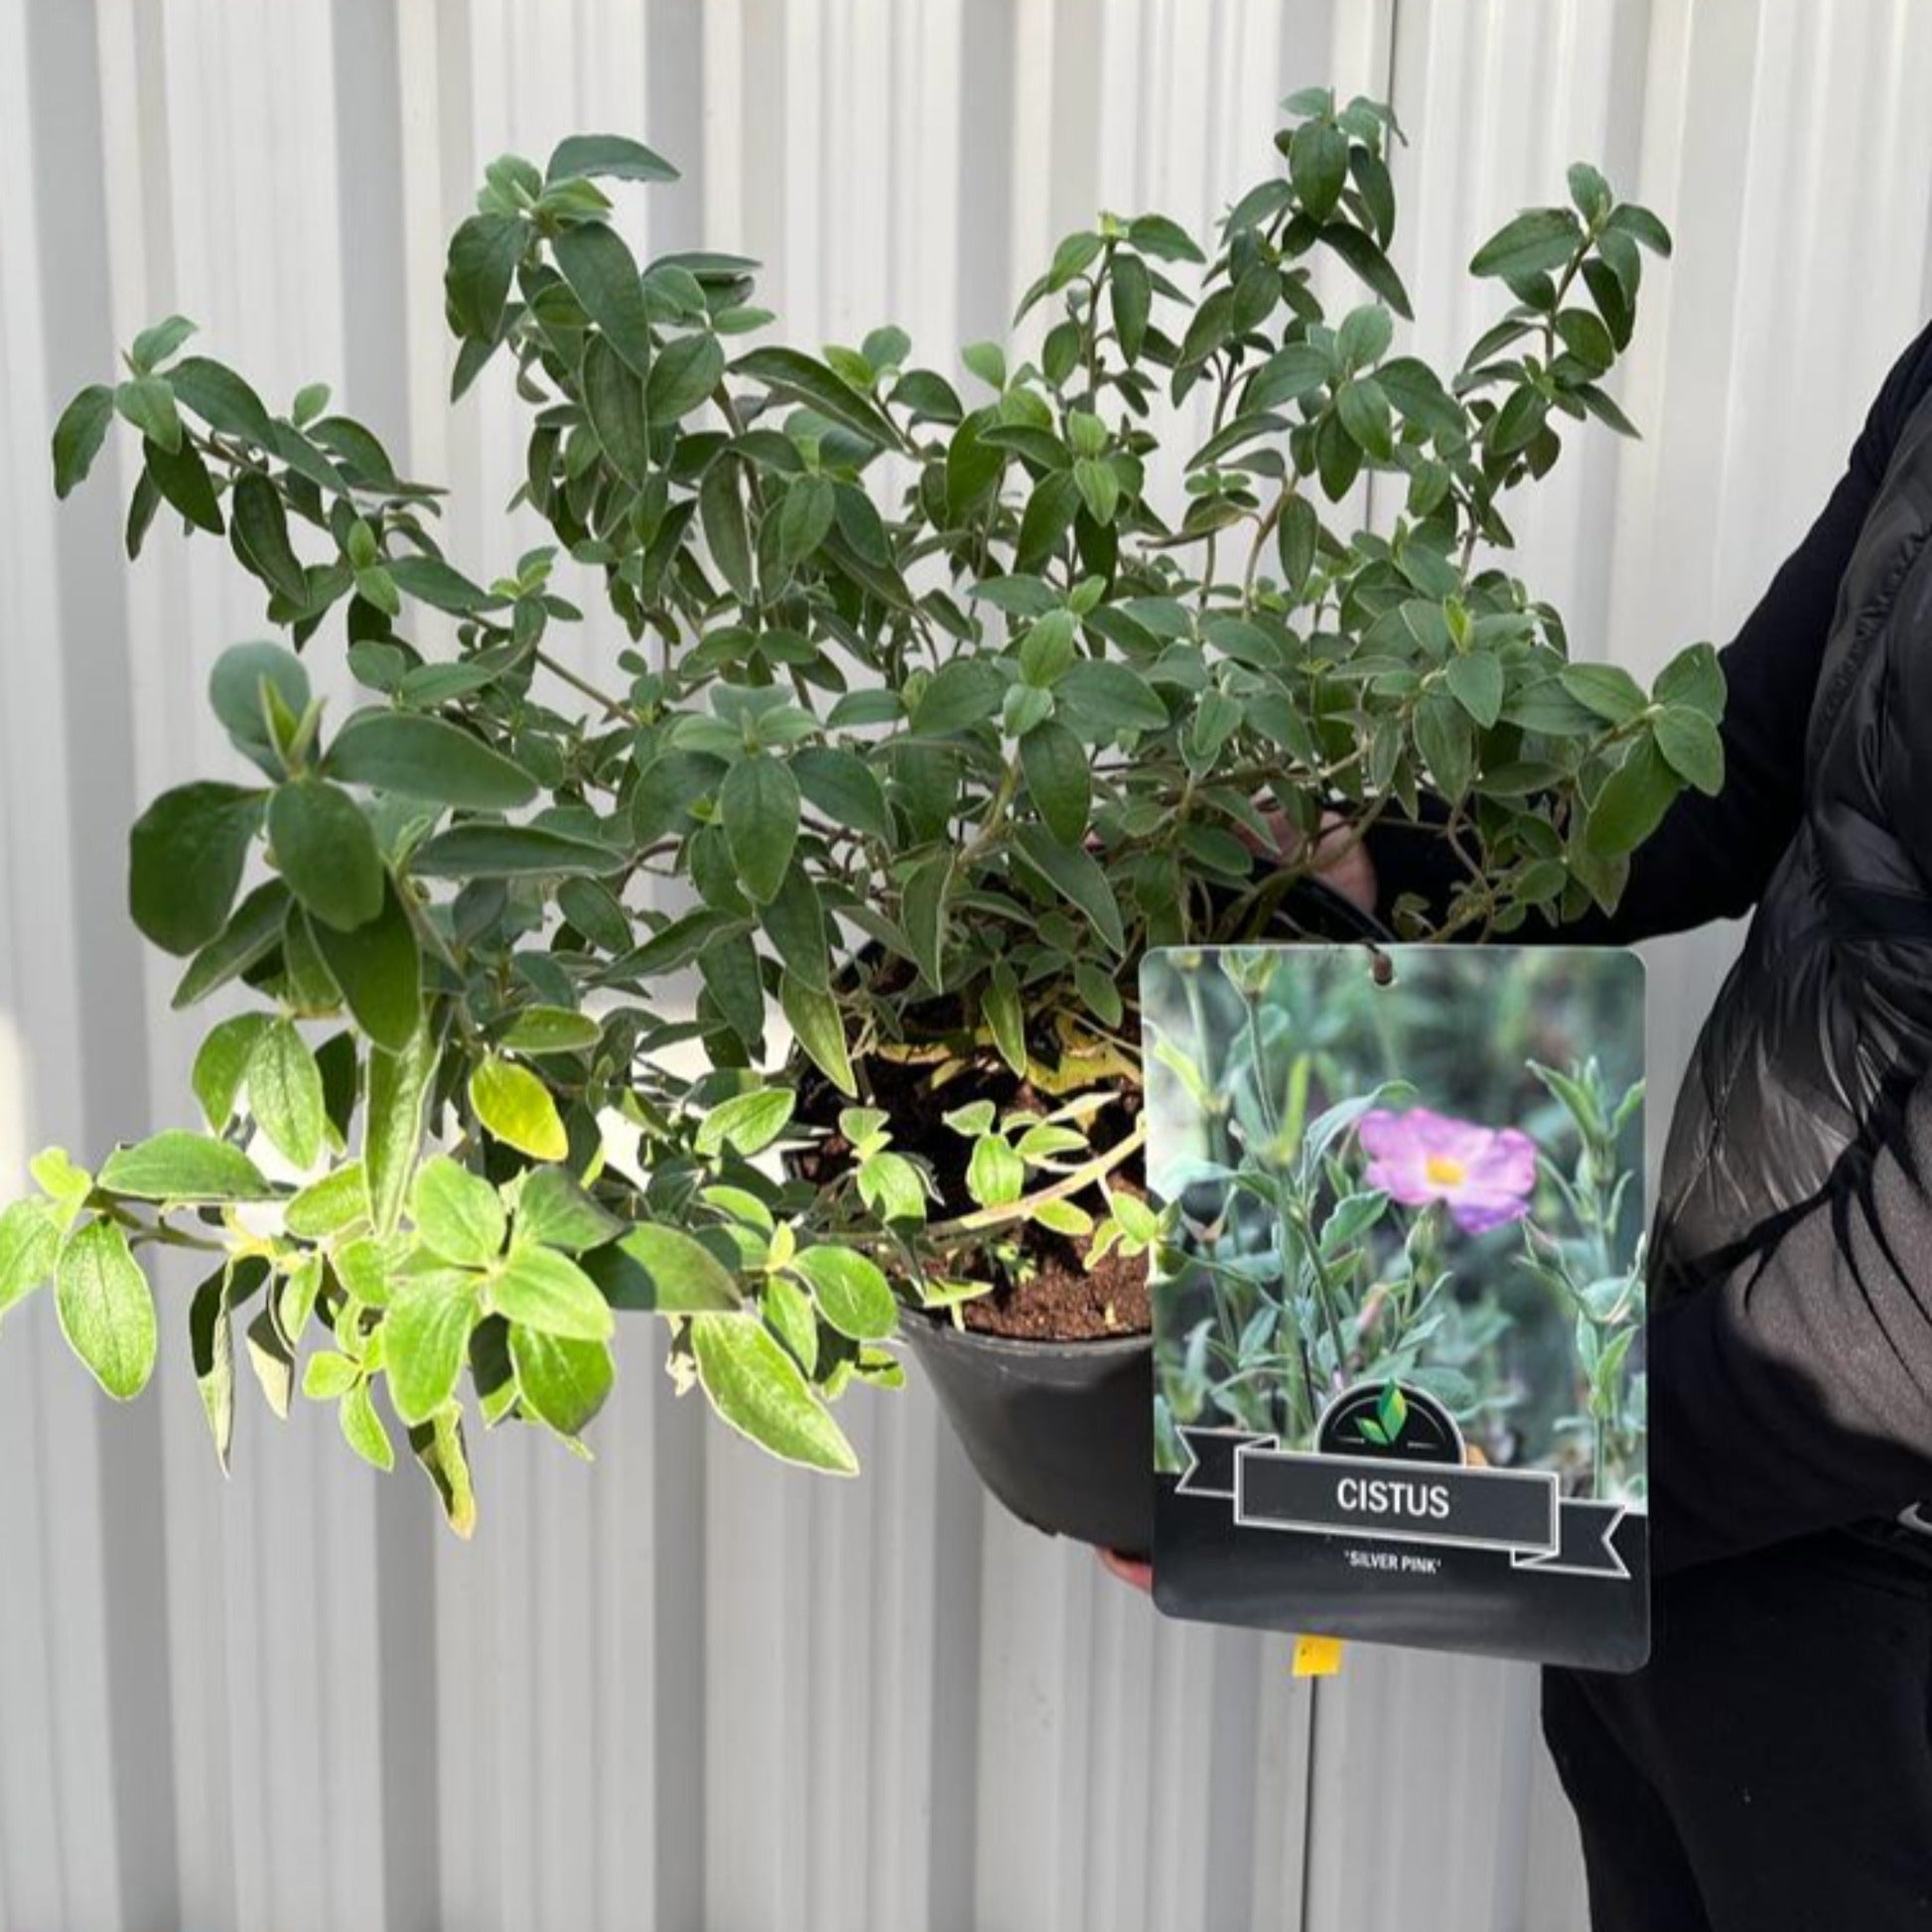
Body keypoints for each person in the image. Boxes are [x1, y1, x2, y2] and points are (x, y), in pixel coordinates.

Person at [1109, 320, 1932, 1931]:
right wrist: (1389, 867)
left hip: (1866, 1582)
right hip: (1690, 1492)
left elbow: (1914, 1305)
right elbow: (1722, 772)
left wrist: (1465, 1477)